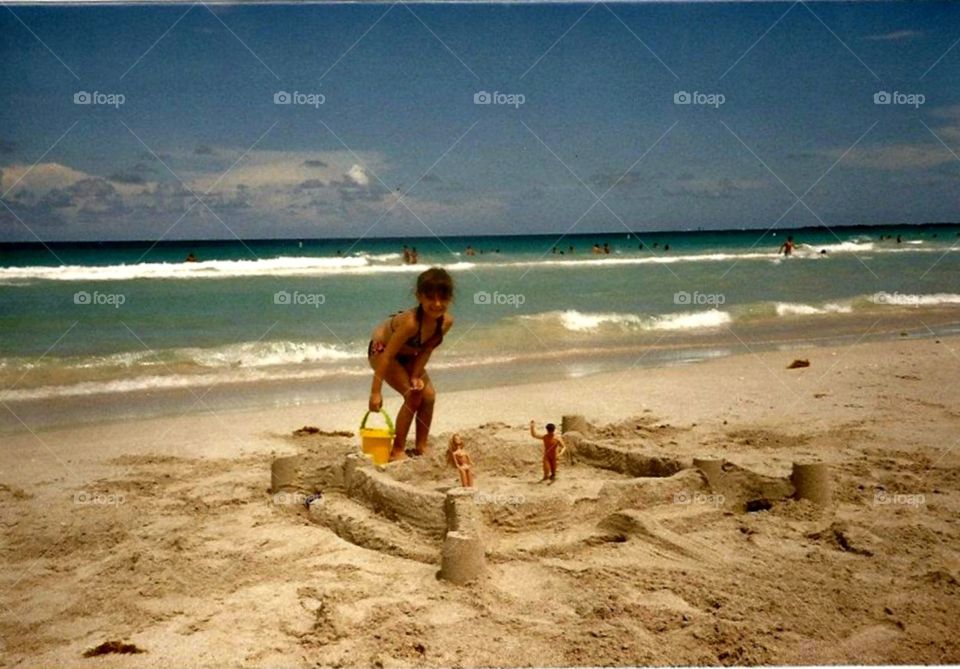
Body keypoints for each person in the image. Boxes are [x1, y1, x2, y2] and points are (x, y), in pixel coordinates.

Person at [368, 268, 455, 461]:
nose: (437, 304)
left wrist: (415, 375)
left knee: (429, 396)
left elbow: (426, 350)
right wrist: (375, 392)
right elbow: (387, 356)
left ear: (450, 298)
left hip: (411, 356)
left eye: (443, 298)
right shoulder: (411, 323)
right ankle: (397, 450)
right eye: (431, 298)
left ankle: (421, 446)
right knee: (413, 397)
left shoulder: (446, 322)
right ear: (419, 297)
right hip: (381, 351)